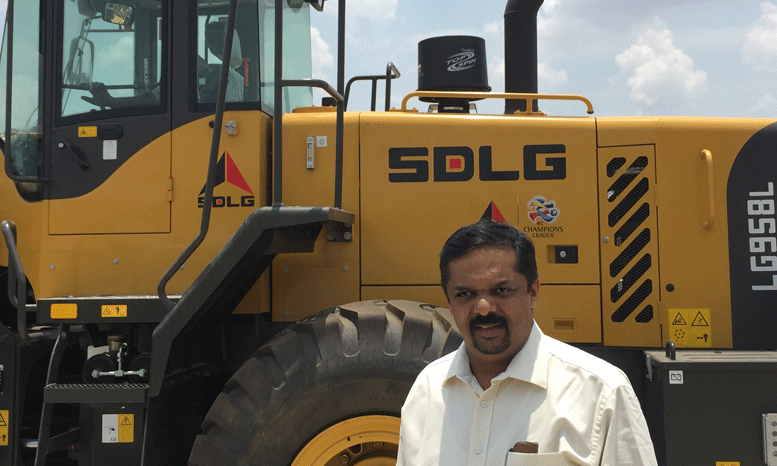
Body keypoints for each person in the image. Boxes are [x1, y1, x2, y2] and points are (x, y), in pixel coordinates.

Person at [396, 220, 657, 466]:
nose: (484, 307)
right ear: (449, 302)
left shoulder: (600, 393)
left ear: (533, 292)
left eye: (501, 291)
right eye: (465, 294)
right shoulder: (427, 390)